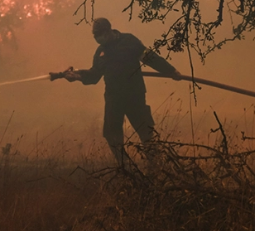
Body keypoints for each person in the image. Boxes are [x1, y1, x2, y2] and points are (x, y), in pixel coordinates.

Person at [52, 18, 182, 165]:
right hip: (113, 97)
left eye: (100, 34)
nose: (98, 38)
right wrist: (76, 76)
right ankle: (126, 167)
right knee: (111, 134)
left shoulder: (129, 41)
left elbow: (150, 58)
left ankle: (156, 165)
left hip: (134, 95)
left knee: (145, 131)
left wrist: (170, 71)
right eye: (95, 36)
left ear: (109, 31)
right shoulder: (101, 51)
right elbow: (94, 75)